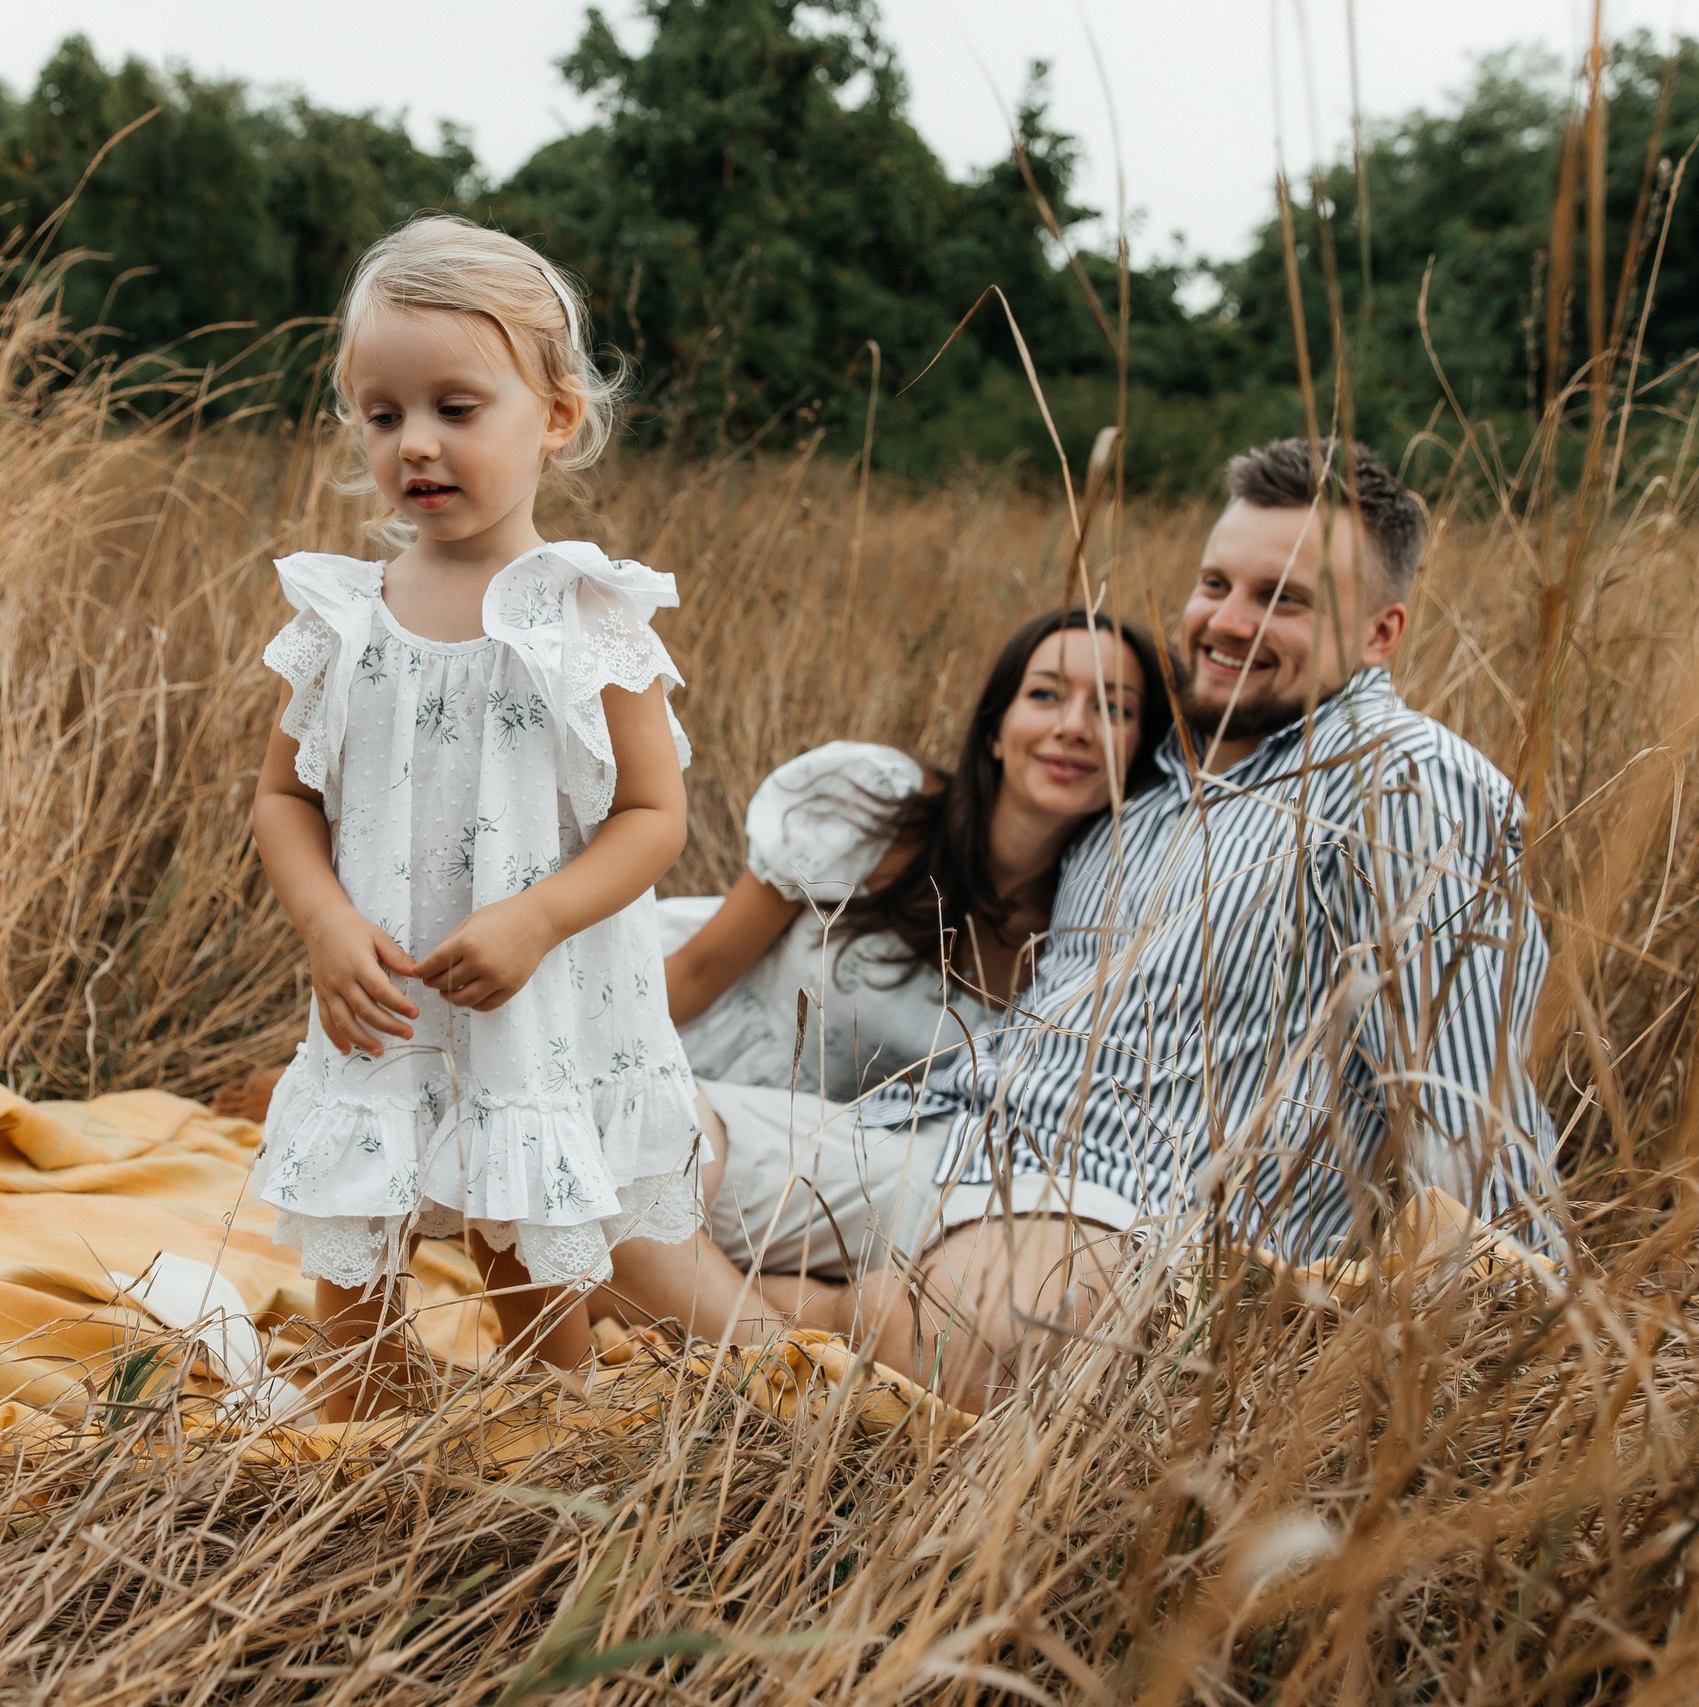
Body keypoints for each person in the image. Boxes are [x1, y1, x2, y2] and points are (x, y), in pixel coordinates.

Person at [679, 437, 1565, 1411]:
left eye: (1283, 599)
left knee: (993, 1346)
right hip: (936, 1144)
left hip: (1108, 1208)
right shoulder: (1138, 793)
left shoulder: (1401, 782)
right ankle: (791, 1330)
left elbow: (1462, 1087)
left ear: (1378, 635)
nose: (1226, 623)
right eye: (1214, 584)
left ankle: (725, 1318)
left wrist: (1525, 1330)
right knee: (612, 1127)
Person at [246, 214, 702, 1418]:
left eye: (457, 407)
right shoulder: (346, 615)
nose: (416, 445)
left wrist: (538, 919)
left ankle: (550, 1429)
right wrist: (324, 925)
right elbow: (283, 796)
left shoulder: (584, 617)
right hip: (379, 992)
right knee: (354, 1267)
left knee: (524, 1255)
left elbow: (655, 816)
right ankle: (367, 1424)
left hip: (525, 999)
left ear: (553, 417)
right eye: (382, 413)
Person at [628, 610, 1171, 1297]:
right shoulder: (886, 815)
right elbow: (699, 971)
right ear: (997, 729)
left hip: (811, 1173)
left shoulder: (1085, 940)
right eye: (1046, 694)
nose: (1074, 724)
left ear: (1138, 753)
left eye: (1114, 708)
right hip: (681, 1061)